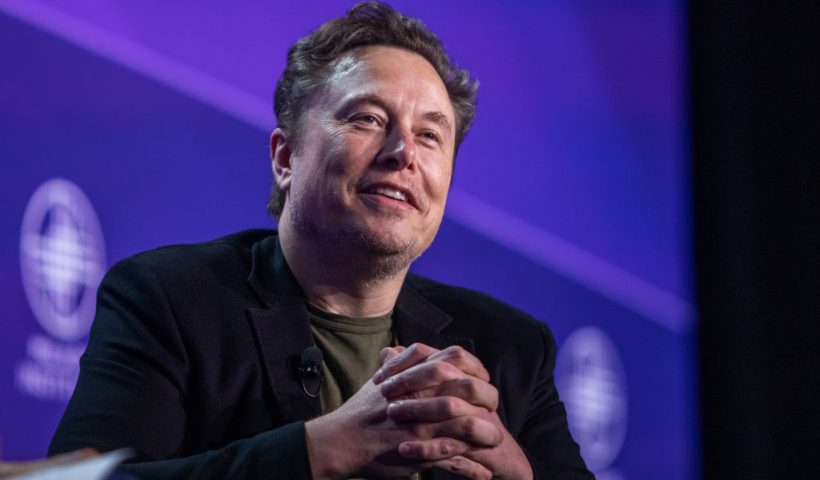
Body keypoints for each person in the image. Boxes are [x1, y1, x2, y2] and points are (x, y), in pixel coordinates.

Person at [49, 2, 593, 479]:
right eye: (367, 118)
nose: (403, 151)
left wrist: (516, 472)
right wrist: (323, 449)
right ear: (286, 158)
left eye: (430, 135)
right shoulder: (169, 299)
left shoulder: (512, 348)